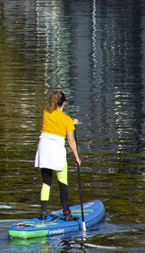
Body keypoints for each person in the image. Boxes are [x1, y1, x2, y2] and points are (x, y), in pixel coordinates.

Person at [34, 90, 80, 221]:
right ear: (63, 103)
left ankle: (43, 213)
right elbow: (71, 141)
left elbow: (56, 120)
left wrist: (71, 122)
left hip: (43, 148)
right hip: (56, 151)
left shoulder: (45, 113)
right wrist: (77, 157)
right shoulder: (66, 120)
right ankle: (67, 213)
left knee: (46, 182)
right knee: (63, 183)